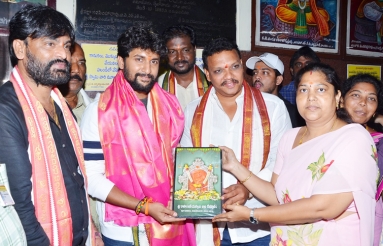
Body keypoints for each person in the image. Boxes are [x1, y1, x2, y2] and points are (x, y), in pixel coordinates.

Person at [212, 63, 378, 245]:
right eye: (304, 90)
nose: (311, 97)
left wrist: (253, 214)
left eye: (321, 89)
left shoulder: (354, 138)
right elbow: (277, 196)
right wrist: (235, 167)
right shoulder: (290, 137)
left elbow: (324, 207)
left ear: (338, 96)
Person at [81, 26, 196, 246]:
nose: (147, 69)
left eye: (153, 61)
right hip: (124, 230)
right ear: (121, 62)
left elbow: (176, 161)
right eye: (139, 59)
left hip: (170, 218)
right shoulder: (99, 111)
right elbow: (92, 179)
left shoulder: (170, 107)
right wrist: (145, 207)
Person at [0, 5, 98, 246]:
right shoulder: (6, 110)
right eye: (50, 44)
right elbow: (18, 202)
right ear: (20, 48)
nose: (63, 55)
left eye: (65, 45)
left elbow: (77, 181)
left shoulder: (61, 105)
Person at [180, 38, 291, 246]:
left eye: (234, 67)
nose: (229, 76)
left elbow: (280, 162)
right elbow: (186, 162)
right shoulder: (193, 111)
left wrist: (247, 190)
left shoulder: (273, 107)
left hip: (259, 224)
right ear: (208, 74)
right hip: (210, 224)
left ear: (242, 65)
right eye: (219, 71)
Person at [338, 73, 383, 245]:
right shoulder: (324, 134)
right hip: (325, 216)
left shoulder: (380, 141)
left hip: (370, 217)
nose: (363, 102)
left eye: (371, 98)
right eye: (356, 95)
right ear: (341, 100)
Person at [246, 52, 304, 127]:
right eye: (255, 72)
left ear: (278, 80)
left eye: (265, 72)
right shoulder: (246, 105)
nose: (257, 77)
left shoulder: (289, 112)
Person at [158, 25, 209, 110]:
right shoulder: (157, 88)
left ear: (194, 49)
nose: (180, 57)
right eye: (172, 52)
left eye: (185, 50)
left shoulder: (212, 84)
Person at [58, 42, 92, 125]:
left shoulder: (96, 109)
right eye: (68, 62)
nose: (76, 69)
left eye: (81, 63)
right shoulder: (42, 107)